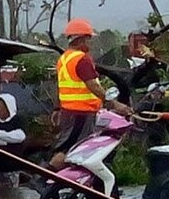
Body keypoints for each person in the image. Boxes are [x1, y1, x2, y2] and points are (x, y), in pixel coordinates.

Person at [51, 19, 131, 168]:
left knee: (72, 148)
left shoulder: (64, 58)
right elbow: (93, 85)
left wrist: (57, 108)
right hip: (81, 113)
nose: (91, 43)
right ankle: (44, 177)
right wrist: (114, 103)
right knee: (71, 149)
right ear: (80, 39)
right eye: (89, 39)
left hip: (69, 112)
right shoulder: (82, 59)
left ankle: (62, 181)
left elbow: (61, 86)